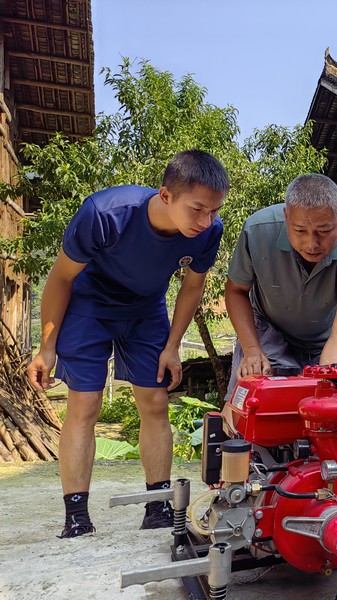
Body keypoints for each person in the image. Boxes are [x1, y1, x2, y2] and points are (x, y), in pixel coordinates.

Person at [27, 150, 229, 538]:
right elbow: (60, 279)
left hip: (146, 309)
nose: (206, 221)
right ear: (166, 195)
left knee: (154, 401)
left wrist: (172, 346)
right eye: (198, 209)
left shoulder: (209, 232)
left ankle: (157, 506)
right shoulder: (104, 214)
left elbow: (192, 287)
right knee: (85, 402)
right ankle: (77, 516)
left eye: (214, 211)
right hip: (89, 303)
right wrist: (46, 346)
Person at [224, 173, 337, 398]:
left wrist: (324, 383)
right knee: (254, 400)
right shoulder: (257, 231)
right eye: (300, 230)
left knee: (323, 403)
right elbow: (236, 291)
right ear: (286, 217)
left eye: (324, 231)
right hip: (266, 332)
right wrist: (252, 351)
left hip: (325, 341)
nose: (311, 243)